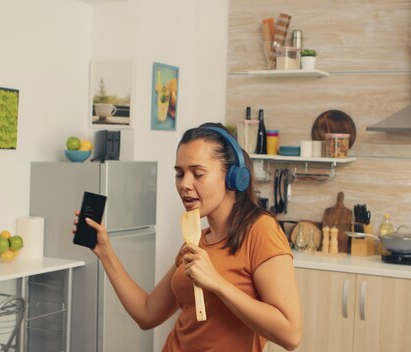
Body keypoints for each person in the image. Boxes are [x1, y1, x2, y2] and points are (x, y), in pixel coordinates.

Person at [73, 122, 302, 351]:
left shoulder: (261, 230)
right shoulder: (196, 241)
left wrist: (217, 284)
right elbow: (146, 313)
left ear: (234, 177)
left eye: (198, 173)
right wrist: (105, 252)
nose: (184, 184)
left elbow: (290, 335)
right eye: (179, 173)